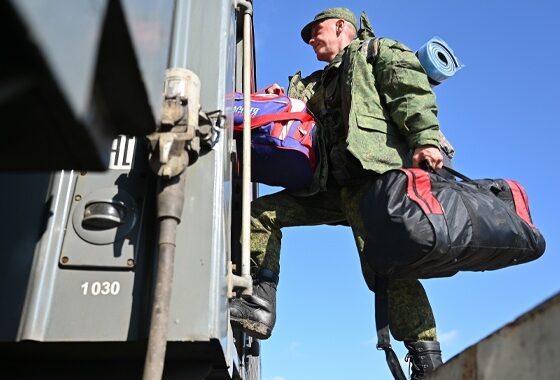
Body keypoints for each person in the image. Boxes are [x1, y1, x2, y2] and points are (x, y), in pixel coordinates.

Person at [231, 7, 452, 379]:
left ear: (339, 26)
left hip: (376, 182)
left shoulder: (378, 52)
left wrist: (426, 139)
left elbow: (410, 93)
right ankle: (258, 306)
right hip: (333, 189)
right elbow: (298, 115)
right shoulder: (317, 84)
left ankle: (428, 363)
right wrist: (279, 96)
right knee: (262, 214)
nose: (311, 40)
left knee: (389, 269)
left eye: (315, 31)